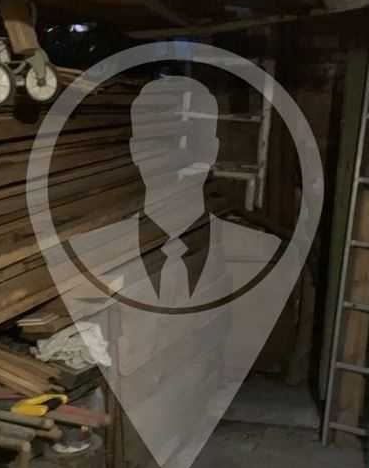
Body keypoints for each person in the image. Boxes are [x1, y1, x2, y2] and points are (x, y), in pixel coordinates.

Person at [68, 74, 280, 310]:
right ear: (134, 151)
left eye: (191, 146)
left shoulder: (245, 250)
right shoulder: (104, 250)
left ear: (214, 150)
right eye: (157, 146)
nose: (175, 161)